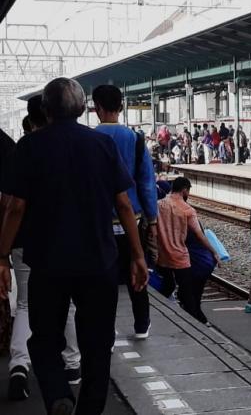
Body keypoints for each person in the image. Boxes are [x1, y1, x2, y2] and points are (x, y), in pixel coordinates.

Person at [0, 77, 148, 415]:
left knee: (43, 339)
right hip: (99, 262)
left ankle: (57, 395)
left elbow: (15, 207)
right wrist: (138, 255)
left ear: (46, 109)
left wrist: (2, 257)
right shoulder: (102, 146)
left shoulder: (29, 146)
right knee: (97, 344)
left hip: (48, 262)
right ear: (83, 108)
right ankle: (89, 410)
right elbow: (124, 204)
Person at [5, 97, 81, 401]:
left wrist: (2, 250)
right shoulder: (72, 147)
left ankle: (19, 367)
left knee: (24, 304)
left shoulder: (22, 149)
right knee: (69, 305)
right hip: (62, 239)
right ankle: (73, 365)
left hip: (24, 240)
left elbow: (12, 204)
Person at [93, 85, 159, 339]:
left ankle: (107, 332)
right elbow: (146, 181)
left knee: (105, 279)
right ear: (121, 107)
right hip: (133, 219)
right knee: (137, 267)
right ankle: (141, 324)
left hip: (100, 223)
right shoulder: (135, 139)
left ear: (97, 107)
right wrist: (152, 218)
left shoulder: (90, 137)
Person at [155, 177, 220, 323]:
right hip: (179, 257)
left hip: (162, 256)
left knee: (168, 285)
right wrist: (214, 251)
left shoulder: (159, 205)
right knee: (187, 293)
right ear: (185, 189)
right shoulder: (187, 210)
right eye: (188, 191)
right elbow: (200, 235)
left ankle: (160, 311)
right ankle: (195, 323)